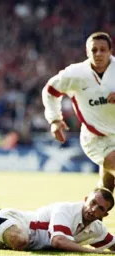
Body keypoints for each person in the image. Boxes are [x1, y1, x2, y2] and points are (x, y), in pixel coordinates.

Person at [0, 143, 115, 253]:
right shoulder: (68, 210)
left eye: (100, 208)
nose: (93, 209)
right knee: (20, 240)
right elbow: (58, 241)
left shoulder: (97, 229)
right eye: (93, 203)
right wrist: (93, 252)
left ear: (105, 215)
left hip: (12, 237)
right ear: (86, 199)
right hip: (16, 223)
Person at [42, 32, 115, 193]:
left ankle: (93, 213)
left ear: (111, 51)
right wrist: (54, 120)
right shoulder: (76, 74)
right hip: (95, 137)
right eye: (94, 50)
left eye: (103, 50)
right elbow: (50, 90)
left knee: (107, 187)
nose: (98, 54)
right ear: (87, 52)